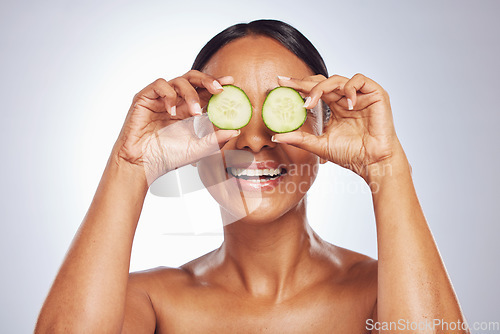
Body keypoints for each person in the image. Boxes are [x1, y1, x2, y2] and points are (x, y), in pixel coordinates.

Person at [35, 19, 469, 333]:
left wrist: (386, 168)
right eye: (231, 113)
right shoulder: (149, 301)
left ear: (325, 122)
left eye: (283, 112)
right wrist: (130, 167)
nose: (255, 140)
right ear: (195, 129)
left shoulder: (383, 295)